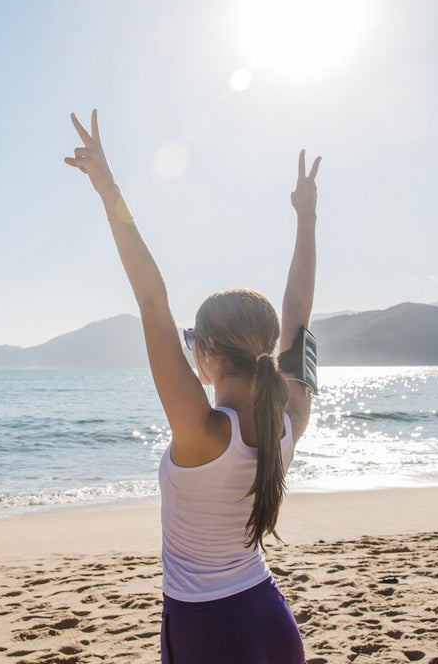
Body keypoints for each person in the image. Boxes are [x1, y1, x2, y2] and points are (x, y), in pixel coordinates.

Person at [64, 109, 319, 664]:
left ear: (207, 352)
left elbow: (151, 299)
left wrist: (109, 190)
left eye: (190, 342)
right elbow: (299, 310)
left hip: (207, 629)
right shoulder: (289, 420)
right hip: (272, 618)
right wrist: (307, 219)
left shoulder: (203, 433)